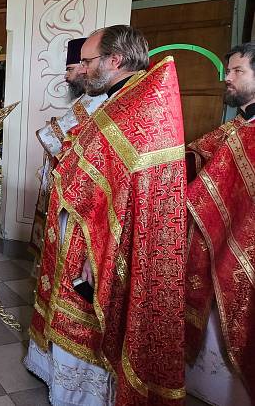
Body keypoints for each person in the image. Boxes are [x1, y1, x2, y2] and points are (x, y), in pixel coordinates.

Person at [24, 25, 188, 404]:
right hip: (85, 227)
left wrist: (100, 253)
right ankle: (63, 381)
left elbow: (127, 192)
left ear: (115, 60)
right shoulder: (119, 99)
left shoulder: (138, 105)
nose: (82, 69)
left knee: (89, 316)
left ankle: (83, 395)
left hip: (102, 240)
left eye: (88, 61)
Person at [183, 43, 255, 405]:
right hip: (214, 242)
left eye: (238, 71)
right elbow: (196, 158)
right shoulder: (237, 127)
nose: (228, 77)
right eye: (228, 70)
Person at [30, 37, 108, 256]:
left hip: (78, 190)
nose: (66, 76)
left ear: (84, 69)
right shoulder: (89, 97)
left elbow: (59, 136)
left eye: (70, 69)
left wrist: (48, 132)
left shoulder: (96, 98)